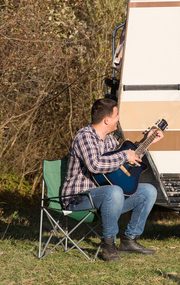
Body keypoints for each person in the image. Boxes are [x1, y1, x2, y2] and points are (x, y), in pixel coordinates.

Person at [61, 98, 163, 262]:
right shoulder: (84, 136)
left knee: (148, 191)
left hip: (106, 198)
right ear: (107, 120)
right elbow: (95, 165)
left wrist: (147, 142)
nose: (119, 118)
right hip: (78, 199)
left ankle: (129, 240)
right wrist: (124, 155)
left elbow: (125, 163)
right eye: (117, 115)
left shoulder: (109, 139)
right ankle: (108, 245)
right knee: (114, 191)